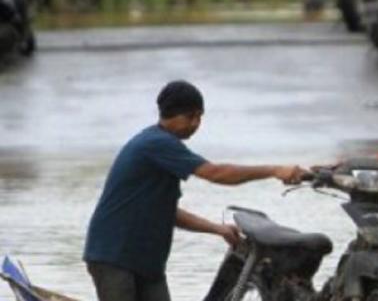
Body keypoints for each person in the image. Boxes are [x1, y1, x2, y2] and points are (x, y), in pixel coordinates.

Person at [83, 80, 306, 301]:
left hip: (145, 262)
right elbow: (216, 173)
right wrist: (274, 170)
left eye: (199, 117)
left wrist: (216, 229)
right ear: (172, 115)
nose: (196, 123)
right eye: (191, 117)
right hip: (114, 256)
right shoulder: (156, 143)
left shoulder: (162, 147)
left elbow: (167, 211)